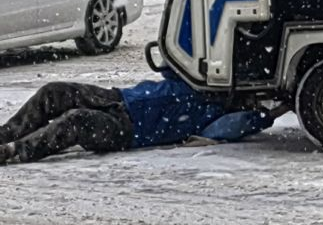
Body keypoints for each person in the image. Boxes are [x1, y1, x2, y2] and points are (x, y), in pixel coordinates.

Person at [0, 70, 272, 165]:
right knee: (54, 92)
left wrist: (270, 111)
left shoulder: (221, 117)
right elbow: (171, 64)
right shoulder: (200, 76)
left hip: (128, 129)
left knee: (76, 120)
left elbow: (247, 122)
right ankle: (7, 134)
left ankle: (13, 152)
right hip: (120, 98)